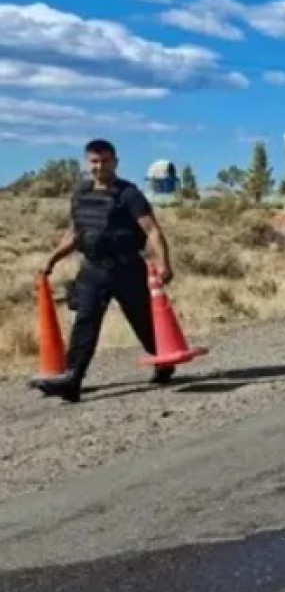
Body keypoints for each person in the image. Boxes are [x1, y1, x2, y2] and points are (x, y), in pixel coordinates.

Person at [34, 138, 176, 403]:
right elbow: (75, 233)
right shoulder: (81, 194)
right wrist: (52, 259)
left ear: (115, 162)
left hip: (127, 269)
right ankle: (72, 379)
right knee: (85, 323)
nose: (100, 166)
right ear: (88, 163)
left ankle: (164, 360)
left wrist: (163, 262)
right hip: (93, 270)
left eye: (105, 161)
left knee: (143, 321)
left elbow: (151, 230)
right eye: (95, 161)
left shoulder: (129, 194)